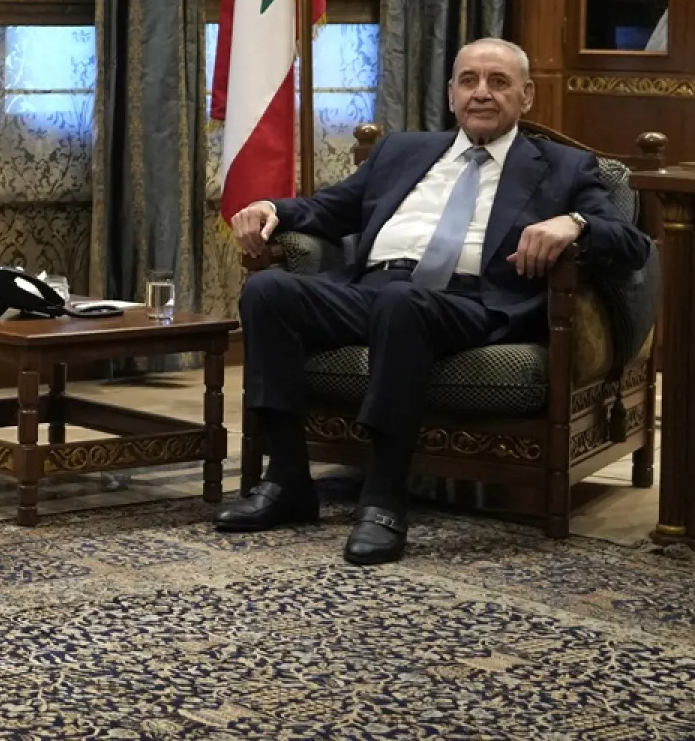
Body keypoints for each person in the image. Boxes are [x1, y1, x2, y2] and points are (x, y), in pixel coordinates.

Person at [221, 37, 650, 565]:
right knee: (268, 291)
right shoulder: (402, 151)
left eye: (499, 82)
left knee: (404, 303)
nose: (482, 94)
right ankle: (286, 481)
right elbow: (328, 211)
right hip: (373, 290)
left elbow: (633, 246)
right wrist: (269, 207)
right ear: (451, 94)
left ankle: (381, 499)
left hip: (474, 304)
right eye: (469, 81)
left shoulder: (565, 167)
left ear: (527, 96)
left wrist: (575, 223)